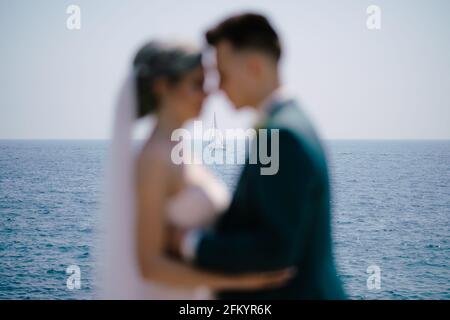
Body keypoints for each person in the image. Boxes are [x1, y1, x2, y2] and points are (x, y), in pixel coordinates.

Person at [98, 40, 293, 299]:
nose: (208, 93)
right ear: (163, 87)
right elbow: (150, 266)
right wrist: (243, 283)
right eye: (197, 83)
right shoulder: (154, 159)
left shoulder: (179, 148)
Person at [170, 13, 347, 299]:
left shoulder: (279, 135)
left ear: (254, 67)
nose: (216, 87)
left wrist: (191, 243)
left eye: (222, 74)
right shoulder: (287, 124)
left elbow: (275, 248)